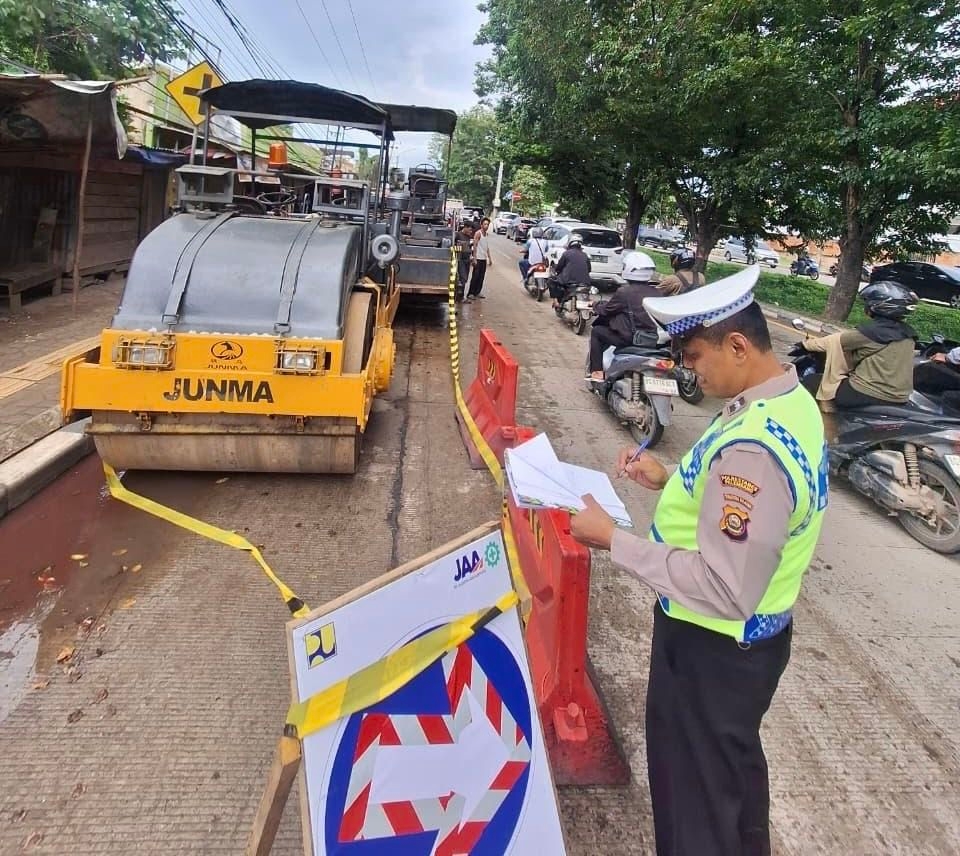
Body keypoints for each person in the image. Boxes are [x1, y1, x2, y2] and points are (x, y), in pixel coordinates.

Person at [569, 267, 828, 856]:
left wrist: (613, 539)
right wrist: (670, 481)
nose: (689, 369)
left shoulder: (752, 447)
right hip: (752, 641)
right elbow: (759, 511)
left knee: (692, 805)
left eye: (693, 355)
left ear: (737, 345)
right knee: (729, 780)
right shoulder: (789, 400)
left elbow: (723, 584)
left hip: (712, 646)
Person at [802, 280, 917, 408]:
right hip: (900, 398)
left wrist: (805, 345)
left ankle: (825, 424)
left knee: (811, 381)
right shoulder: (908, 334)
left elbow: (835, 340)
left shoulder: (872, 332)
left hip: (867, 392)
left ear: (878, 305)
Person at [587, 251, 660, 381]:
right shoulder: (657, 292)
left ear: (629, 269)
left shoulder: (624, 292)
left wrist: (595, 306)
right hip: (651, 339)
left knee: (597, 332)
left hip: (629, 338)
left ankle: (596, 372)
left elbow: (607, 310)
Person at [549, 234, 591, 305]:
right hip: (585, 283)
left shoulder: (566, 253)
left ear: (570, 243)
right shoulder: (585, 255)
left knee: (551, 281)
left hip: (569, 281)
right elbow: (589, 269)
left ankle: (556, 302)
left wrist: (557, 271)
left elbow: (559, 267)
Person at [467, 217, 492, 301]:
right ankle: (471, 293)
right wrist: (474, 258)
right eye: (485, 224)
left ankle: (477, 292)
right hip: (478, 258)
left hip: (483, 259)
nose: (486, 226)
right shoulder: (478, 233)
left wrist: (489, 258)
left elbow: (487, 247)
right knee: (475, 276)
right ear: (481, 225)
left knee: (481, 276)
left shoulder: (486, 235)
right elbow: (475, 245)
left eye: (487, 224)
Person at [455, 222, 475, 296]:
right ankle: (460, 297)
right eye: (469, 230)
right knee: (462, 278)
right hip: (461, 260)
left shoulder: (469, 237)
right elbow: (453, 246)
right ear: (465, 227)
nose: (471, 232)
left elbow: (470, 248)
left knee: (465, 278)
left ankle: (460, 296)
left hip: (467, 260)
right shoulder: (458, 235)